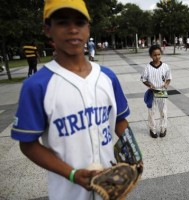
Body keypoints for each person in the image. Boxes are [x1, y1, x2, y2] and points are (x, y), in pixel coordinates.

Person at [11, 0, 135, 199]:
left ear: (88, 28)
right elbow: (27, 143)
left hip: (110, 187)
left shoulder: (107, 77)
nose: (72, 29)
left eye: (79, 22)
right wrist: (72, 174)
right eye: (62, 22)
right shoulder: (36, 86)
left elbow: (120, 120)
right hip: (67, 192)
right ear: (47, 30)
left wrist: (134, 152)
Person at [141, 45, 172, 138]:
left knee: (163, 111)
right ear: (151, 55)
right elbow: (143, 79)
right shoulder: (147, 67)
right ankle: (152, 129)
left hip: (161, 91)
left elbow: (168, 78)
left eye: (159, 54)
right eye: (154, 55)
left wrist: (166, 84)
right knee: (152, 112)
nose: (157, 57)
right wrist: (149, 85)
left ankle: (163, 128)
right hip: (152, 92)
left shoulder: (165, 66)